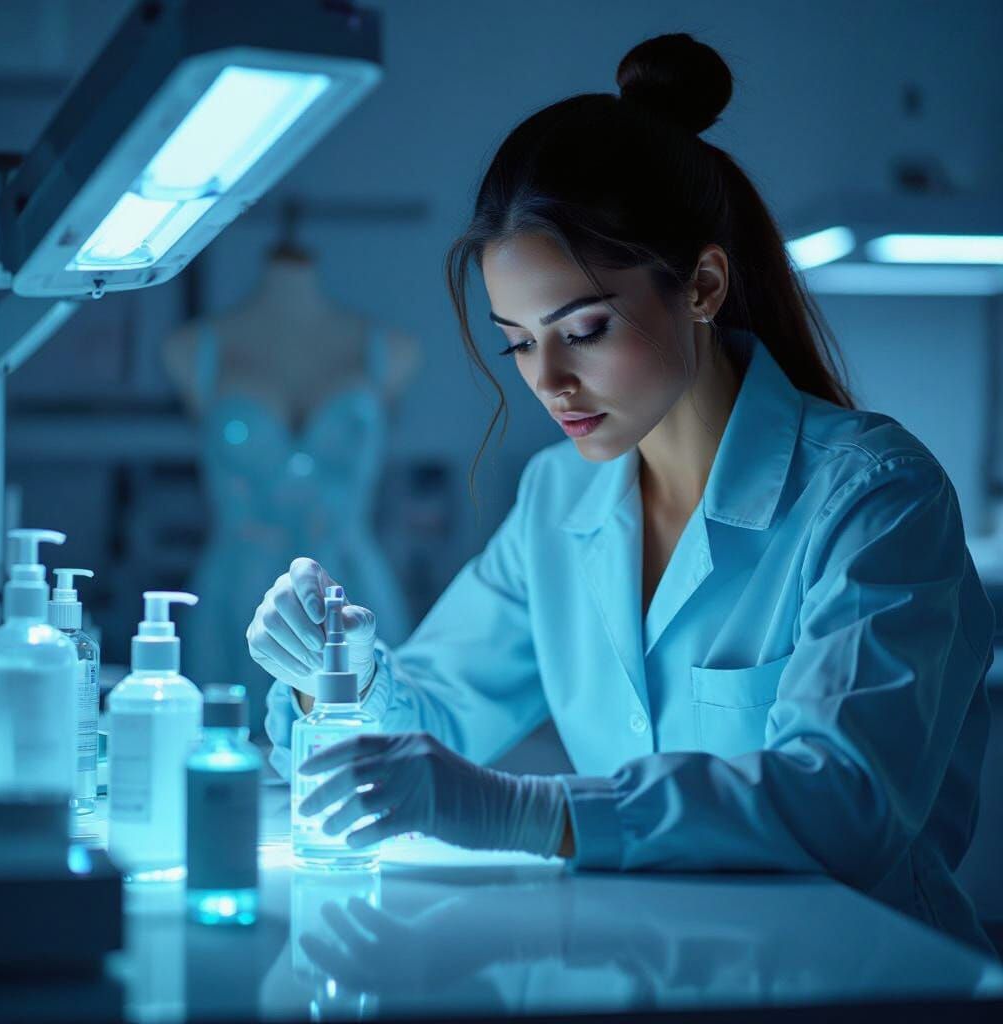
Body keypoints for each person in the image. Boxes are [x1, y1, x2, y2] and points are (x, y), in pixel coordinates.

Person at [248, 33, 997, 957]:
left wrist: (528, 812)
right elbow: (438, 722)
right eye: (519, 342)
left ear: (703, 286)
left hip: (868, 979)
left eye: (585, 329)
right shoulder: (558, 499)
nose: (549, 382)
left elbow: (842, 804)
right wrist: (343, 678)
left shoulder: (875, 499)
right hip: (655, 966)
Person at [163, 234, 418, 732]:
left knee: (367, 739)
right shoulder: (191, 350)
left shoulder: (391, 349)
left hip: (353, 588)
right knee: (230, 746)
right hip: (236, 592)